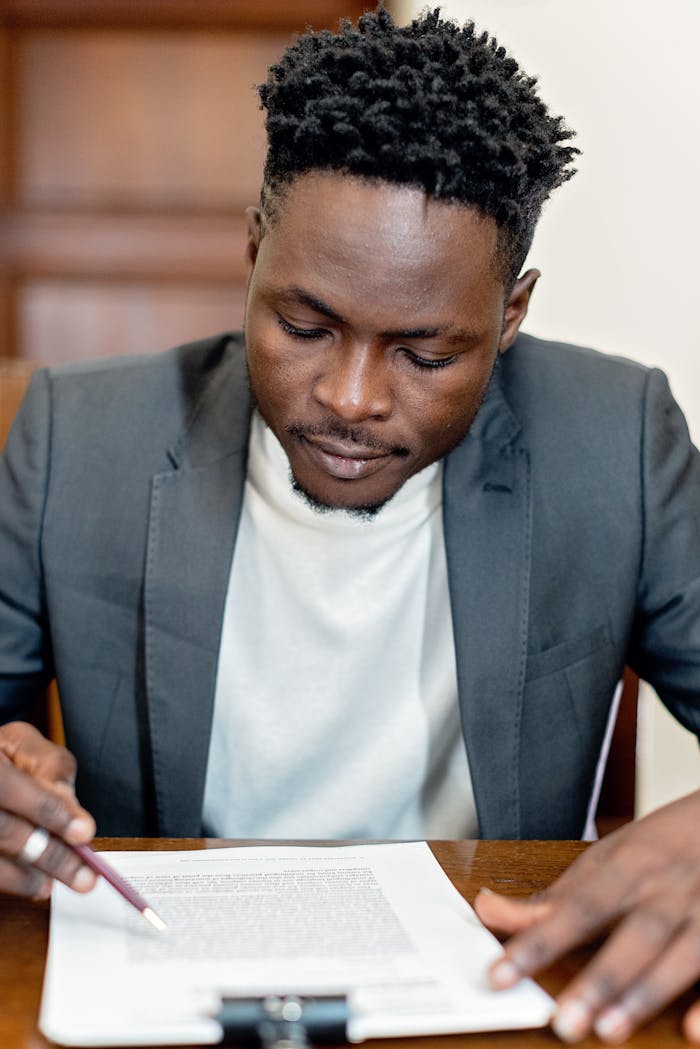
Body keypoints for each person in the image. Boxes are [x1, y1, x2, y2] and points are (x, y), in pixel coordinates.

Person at [0, 5, 699, 1043]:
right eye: (303, 324)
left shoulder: (614, 439)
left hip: (486, 991)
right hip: (160, 992)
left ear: (509, 314)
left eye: (424, 354)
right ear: (252, 252)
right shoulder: (76, 435)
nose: (352, 396)